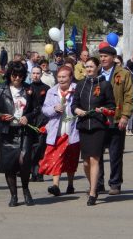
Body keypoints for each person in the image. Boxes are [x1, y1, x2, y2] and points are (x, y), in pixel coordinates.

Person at [0, 61, 35, 207]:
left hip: (24, 131)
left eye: (20, 76)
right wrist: (2, 116)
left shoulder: (29, 89)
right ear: (9, 75)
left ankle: (26, 190)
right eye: (14, 75)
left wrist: (27, 117)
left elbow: (37, 109)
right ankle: (13, 195)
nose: (17, 78)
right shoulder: (1, 89)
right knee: (9, 165)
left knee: (24, 162)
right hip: (7, 132)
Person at [72, 57, 115, 206]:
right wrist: (77, 110)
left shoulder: (105, 85)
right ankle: (94, 185)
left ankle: (92, 193)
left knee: (94, 159)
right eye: (87, 66)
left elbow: (112, 106)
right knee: (85, 162)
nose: (89, 69)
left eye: (91, 66)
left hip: (98, 126)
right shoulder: (80, 85)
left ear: (97, 68)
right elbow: (74, 104)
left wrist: (103, 110)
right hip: (84, 125)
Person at [98, 45, 133, 195]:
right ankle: (97, 183)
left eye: (106, 56)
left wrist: (125, 116)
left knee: (115, 154)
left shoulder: (124, 73)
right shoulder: (95, 73)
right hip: (98, 120)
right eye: (101, 56)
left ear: (113, 58)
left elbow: (129, 96)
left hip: (116, 118)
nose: (103, 59)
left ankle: (115, 183)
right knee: (97, 154)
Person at [39, 66, 80, 196]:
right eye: (59, 77)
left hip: (72, 129)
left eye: (64, 77)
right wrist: (54, 109)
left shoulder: (77, 89)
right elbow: (45, 109)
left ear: (70, 77)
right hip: (56, 130)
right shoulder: (51, 91)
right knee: (55, 158)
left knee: (71, 159)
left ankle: (70, 184)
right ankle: (55, 185)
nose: (61, 80)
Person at [28, 66, 50, 182]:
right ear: (31, 74)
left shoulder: (46, 88)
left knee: (41, 147)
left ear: (41, 74)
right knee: (31, 147)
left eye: (38, 73)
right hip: (31, 119)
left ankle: (40, 172)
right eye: (34, 73)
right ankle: (32, 172)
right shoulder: (27, 88)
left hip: (42, 119)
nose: (35, 75)